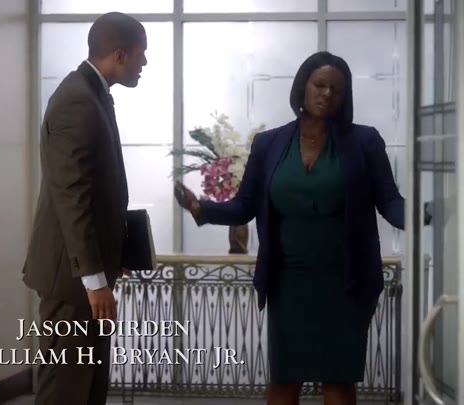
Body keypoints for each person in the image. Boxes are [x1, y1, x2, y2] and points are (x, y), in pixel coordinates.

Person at [174, 51, 404, 405]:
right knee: (284, 381)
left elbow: (389, 201)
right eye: (320, 85)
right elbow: (246, 204)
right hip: (288, 282)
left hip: (347, 283)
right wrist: (200, 208)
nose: (327, 93)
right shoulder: (269, 143)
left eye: (337, 89)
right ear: (302, 88)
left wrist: (424, 216)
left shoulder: (364, 141)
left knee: (339, 381)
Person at [21, 12, 147, 405]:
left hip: (85, 277)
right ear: (120, 55)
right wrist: (94, 279)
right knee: (65, 391)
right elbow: (71, 195)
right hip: (73, 282)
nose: (145, 63)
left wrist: (111, 258)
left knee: (88, 390)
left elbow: (96, 191)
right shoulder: (77, 100)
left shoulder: (91, 93)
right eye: (141, 54)